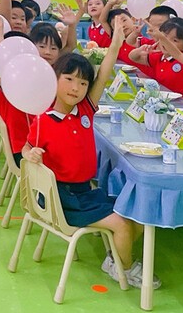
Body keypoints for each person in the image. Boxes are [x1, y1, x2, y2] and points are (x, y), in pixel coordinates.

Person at [22, 17, 160, 289]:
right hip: (64, 199)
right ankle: (125, 267)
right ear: (53, 79)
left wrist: (117, 40)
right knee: (122, 224)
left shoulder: (85, 110)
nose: (76, 88)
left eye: (83, 83)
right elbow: (27, 147)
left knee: (137, 215)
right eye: (69, 80)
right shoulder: (43, 120)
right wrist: (30, 154)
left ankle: (114, 258)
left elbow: (105, 71)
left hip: (86, 192)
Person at [0, 15, 31, 167]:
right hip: (23, 152)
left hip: (33, 146)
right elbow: (1, 67)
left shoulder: (29, 81)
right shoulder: (6, 84)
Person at [129, 17, 183, 104]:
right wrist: (140, 50)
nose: (167, 43)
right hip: (162, 104)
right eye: (164, 37)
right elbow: (133, 57)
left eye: (175, 40)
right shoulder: (159, 57)